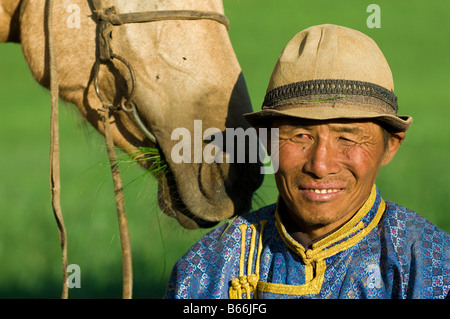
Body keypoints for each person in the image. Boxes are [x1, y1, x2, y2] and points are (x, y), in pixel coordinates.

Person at [164, 24, 450, 299]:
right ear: (266, 140)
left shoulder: (429, 266)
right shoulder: (208, 268)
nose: (320, 165)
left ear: (391, 145)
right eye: (300, 135)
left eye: (347, 138)